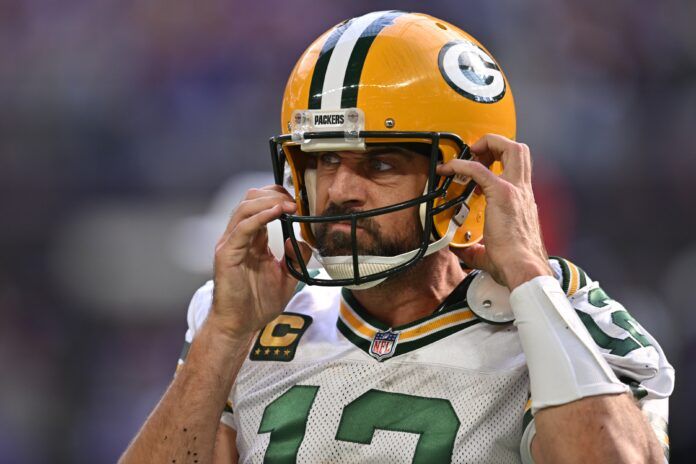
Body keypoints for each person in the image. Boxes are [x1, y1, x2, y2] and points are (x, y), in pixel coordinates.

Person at [120, 11, 674, 464]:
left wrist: (531, 281)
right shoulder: (251, 317)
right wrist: (222, 335)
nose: (340, 190)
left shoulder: (568, 315)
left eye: (381, 164)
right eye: (323, 160)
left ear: (469, 177)